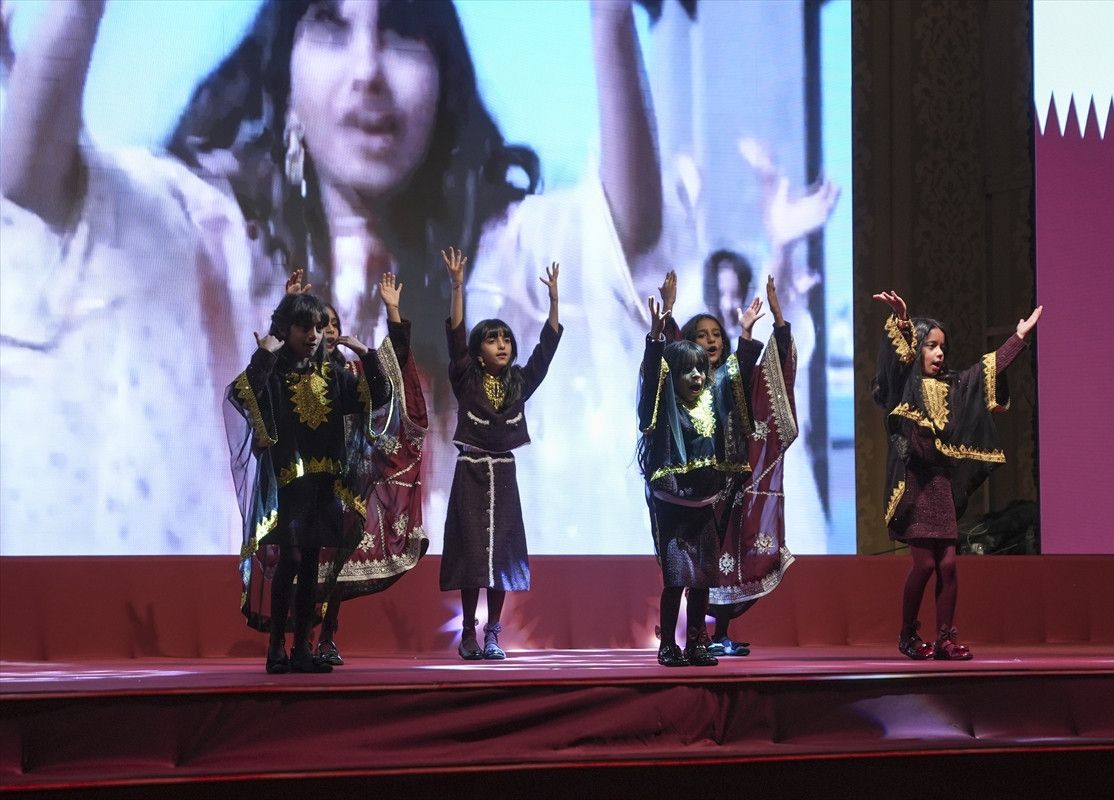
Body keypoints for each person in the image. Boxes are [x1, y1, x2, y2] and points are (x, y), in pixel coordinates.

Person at [0, 0, 660, 556]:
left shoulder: (487, 258)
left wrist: (611, 16)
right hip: (238, 651)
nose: (367, 71)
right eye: (331, 27)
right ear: (286, 71)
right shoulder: (216, 241)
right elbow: (33, 182)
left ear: (443, 77)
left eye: (401, 32)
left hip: (431, 655)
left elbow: (626, 228)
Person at [871, 290, 1042, 660]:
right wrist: (903, 321)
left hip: (942, 487)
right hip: (916, 489)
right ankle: (908, 635)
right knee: (925, 565)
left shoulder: (953, 386)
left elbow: (985, 371)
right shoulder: (906, 386)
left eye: (942, 347)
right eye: (930, 346)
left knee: (948, 565)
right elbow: (896, 363)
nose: (939, 353)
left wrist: (1019, 338)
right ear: (917, 349)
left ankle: (945, 639)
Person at [226, 289, 391, 673]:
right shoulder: (273, 375)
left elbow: (379, 396)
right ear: (286, 329)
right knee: (291, 559)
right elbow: (242, 396)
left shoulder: (333, 375)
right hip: (287, 488)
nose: (314, 335)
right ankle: (276, 647)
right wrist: (264, 355)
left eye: (319, 327)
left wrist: (367, 356)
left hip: (324, 487)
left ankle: (302, 648)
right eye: (305, 327)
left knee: (312, 563)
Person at [659, 271, 799, 656]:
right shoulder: (686, 381)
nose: (711, 341)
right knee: (690, 566)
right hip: (694, 486)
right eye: (702, 336)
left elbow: (751, 366)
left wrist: (768, 323)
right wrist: (667, 311)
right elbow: (666, 351)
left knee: (727, 555)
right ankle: (681, 638)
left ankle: (715, 634)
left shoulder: (730, 377)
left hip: (732, 478)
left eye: (716, 335)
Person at [440, 247, 561, 661]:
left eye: (506, 338)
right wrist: (457, 287)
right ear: (478, 352)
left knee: (502, 556)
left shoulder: (518, 383)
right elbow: (456, 337)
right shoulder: (466, 378)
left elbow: (544, 354)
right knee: (473, 554)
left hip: (504, 472)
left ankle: (494, 633)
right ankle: (468, 633)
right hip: (471, 470)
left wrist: (553, 302)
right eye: (492, 339)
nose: (502, 344)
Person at [638, 291, 764, 666]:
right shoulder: (664, 407)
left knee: (703, 579)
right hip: (674, 505)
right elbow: (652, 378)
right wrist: (655, 338)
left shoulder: (713, 393)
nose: (696, 376)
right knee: (677, 578)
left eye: (700, 371)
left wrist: (745, 335)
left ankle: (697, 643)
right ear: (672, 378)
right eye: (687, 371)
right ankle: (668, 645)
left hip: (703, 503)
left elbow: (735, 372)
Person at [312, 273, 430, 667]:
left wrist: (392, 314)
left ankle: (326, 638)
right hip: (306, 478)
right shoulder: (295, 373)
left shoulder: (352, 374)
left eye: (333, 324)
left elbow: (392, 377)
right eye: (320, 324)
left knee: (338, 560)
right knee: (305, 560)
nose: (329, 331)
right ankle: (294, 641)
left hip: (346, 480)